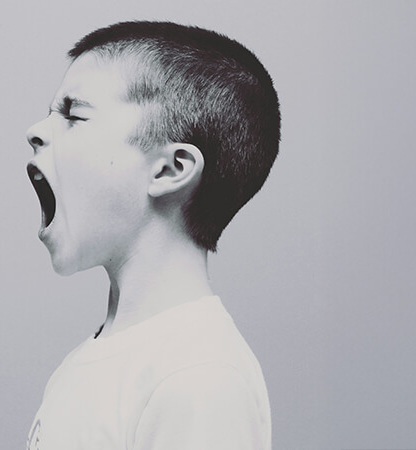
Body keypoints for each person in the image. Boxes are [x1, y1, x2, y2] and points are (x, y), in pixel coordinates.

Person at [25, 21, 279, 449]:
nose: (35, 131)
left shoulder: (198, 377)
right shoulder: (91, 361)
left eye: (73, 114)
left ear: (170, 169)